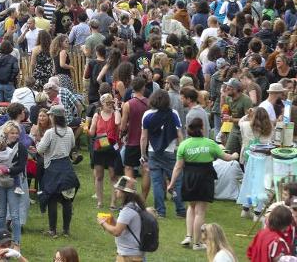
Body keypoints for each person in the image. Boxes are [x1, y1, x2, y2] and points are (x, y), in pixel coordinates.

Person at [168, 118, 239, 250]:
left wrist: (171, 183)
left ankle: (188, 236)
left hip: (189, 177)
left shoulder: (184, 144)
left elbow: (178, 167)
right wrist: (235, 155)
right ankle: (197, 243)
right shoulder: (210, 143)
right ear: (201, 129)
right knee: (200, 212)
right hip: (204, 177)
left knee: (191, 206)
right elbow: (226, 157)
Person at [141, 89, 185, 219]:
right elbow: (179, 134)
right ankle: (180, 209)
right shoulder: (173, 113)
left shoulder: (147, 115)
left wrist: (143, 154)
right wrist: (182, 152)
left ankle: (160, 211)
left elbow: (144, 137)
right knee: (176, 181)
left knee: (157, 182)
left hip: (153, 152)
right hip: (170, 152)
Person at [36, 106, 78, 239]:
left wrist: (38, 145)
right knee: (67, 200)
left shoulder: (50, 133)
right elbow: (72, 146)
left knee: (52, 199)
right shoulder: (70, 131)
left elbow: (40, 149)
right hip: (66, 166)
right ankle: (66, 230)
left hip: (52, 167)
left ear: (54, 117)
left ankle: (52, 230)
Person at [98, 176, 145, 262]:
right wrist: (113, 221)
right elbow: (125, 227)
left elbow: (117, 231)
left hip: (128, 256)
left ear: (125, 193)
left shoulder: (127, 210)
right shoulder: (135, 205)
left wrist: (103, 223)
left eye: (118, 189)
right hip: (135, 253)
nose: (115, 190)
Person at [89, 93, 121, 209]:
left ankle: (113, 203)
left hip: (112, 149)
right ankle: (100, 201)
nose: (110, 105)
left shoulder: (115, 114)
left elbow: (118, 122)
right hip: (99, 148)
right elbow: (92, 133)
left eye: (111, 102)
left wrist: (116, 108)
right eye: (107, 103)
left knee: (113, 176)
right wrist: (89, 128)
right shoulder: (97, 115)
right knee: (99, 176)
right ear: (102, 104)